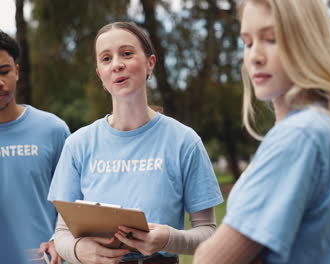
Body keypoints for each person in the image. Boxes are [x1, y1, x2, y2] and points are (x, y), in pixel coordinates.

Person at [193, 0, 330, 263]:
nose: (255, 56)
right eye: (247, 42)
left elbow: (212, 260)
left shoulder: (299, 135)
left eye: (271, 39)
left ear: (308, 42)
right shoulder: (325, 125)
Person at [47, 21, 223, 264]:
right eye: (106, 58)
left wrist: (168, 239)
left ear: (150, 63)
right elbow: (62, 233)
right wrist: (78, 250)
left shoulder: (184, 141)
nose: (117, 64)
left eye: (127, 54)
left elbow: (209, 233)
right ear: (100, 74)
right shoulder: (78, 144)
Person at [0, 30, 69, 264]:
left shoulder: (53, 130)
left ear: (17, 71)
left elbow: (72, 203)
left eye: (4, 72)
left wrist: (60, 241)